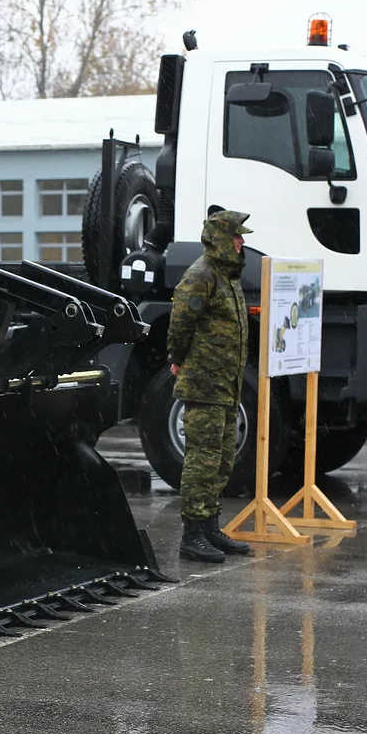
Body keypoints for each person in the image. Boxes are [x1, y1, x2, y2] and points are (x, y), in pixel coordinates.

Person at [167, 209, 254, 564]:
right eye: (237, 235)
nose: (242, 241)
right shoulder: (200, 275)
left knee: (221, 459)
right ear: (221, 237)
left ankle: (210, 525)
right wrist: (178, 357)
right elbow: (180, 323)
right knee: (201, 459)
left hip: (226, 383)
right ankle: (192, 535)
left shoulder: (228, 276)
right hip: (204, 383)